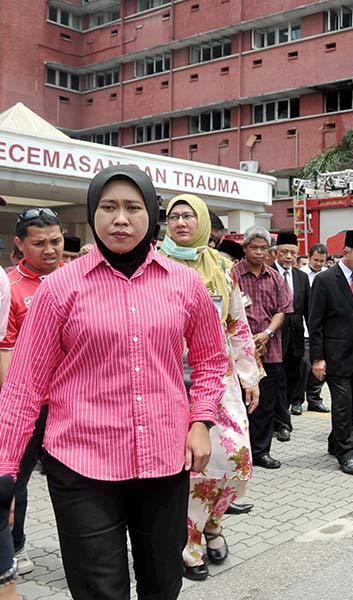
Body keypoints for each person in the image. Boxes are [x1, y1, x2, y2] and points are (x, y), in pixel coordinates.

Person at [0, 165, 227, 600]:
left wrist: (201, 421)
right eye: (108, 207)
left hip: (165, 459)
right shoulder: (60, 288)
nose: (120, 219)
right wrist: (6, 475)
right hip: (82, 465)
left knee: (163, 584)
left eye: (132, 207)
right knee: (99, 590)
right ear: (92, 214)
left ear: (150, 215)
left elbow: (211, 360)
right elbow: (23, 388)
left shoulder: (184, 284)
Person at [159, 194, 261, 582]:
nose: (181, 223)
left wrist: (249, 376)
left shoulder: (222, 266)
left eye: (189, 216)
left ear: (201, 221)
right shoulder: (155, 264)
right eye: (174, 217)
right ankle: (190, 544)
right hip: (169, 377)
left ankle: (212, 522)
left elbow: (236, 325)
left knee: (236, 462)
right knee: (190, 467)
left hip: (218, 378)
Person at [0, 208, 63, 578]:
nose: (50, 250)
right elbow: (3, 350)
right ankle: (16, 545)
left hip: (70, 404)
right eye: (39, 244)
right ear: (20, 245)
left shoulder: (74, 281)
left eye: (55, 241)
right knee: (15, 482)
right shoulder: (9, 288)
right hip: (29, 408)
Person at [308, 230, 353, 476]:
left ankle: (334, 440)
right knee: (341, 405)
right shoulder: (326, 280)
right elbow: (315, 322)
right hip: (335, 355)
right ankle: (347, 454)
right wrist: (317, 358)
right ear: (346, 253)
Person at [233, 227, 293, 470]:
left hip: (270, 349)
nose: (259, 252)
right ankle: (240, 450)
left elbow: (282, 310)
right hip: (239, 352)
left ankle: (261, 451)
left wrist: (267, 333)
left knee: (266, 404)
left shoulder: (275, 277)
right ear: (245, 248)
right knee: (239, 403)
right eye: (254, 248)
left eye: (263, 248)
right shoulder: (232, 275)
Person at [272, 233, 310, 426]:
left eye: (292, 253)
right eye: (284, 252)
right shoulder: (268, 272)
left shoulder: (302, 277)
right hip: (274, 339)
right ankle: (282, 423)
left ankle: (281, 414)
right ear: (276, 252)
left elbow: (308, 311)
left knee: (294, 378)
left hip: (296, 339)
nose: (288, 256)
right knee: (276, 380)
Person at [300, 243, 329, 413]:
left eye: (322, 260)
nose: (318, 263)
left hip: (323, 330)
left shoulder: (327, 276)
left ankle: (314, 399)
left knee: (322, 367)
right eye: (316, 260)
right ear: (309, 257)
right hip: (304, 328)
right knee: (305, 365)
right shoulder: (302, 275)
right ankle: (298, 399)